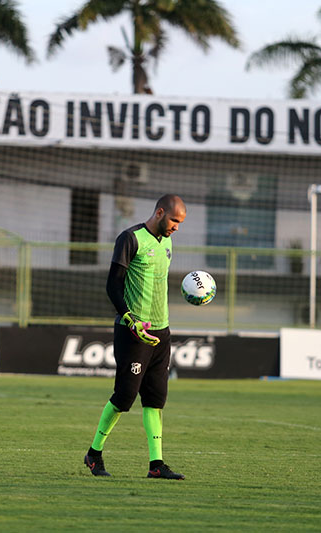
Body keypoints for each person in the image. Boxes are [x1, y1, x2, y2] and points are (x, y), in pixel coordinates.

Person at [83, 194, 187, 480]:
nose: (177, 226)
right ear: (160, 212)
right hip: (132, 331)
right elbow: (113, 286)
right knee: (125, 396)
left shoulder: (167, 241)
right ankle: (94, 454)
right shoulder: (130, 239)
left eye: (181, 222)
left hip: (161, 332)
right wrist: (130, 319)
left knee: (155, 399)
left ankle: (157, 464)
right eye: (175, 220)